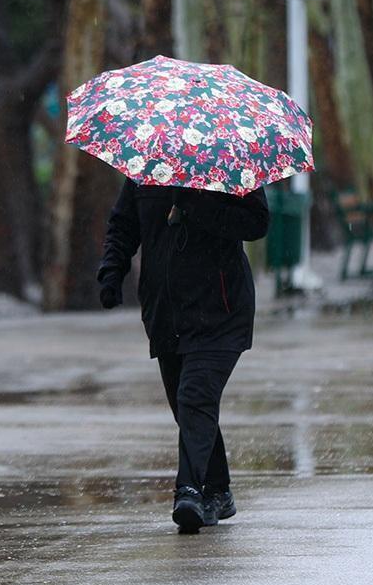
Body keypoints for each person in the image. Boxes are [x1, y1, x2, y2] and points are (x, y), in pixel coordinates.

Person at [97, 179, 270, 533]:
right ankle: (218, 490)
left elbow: (257, 223)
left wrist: (197, 206)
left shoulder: (227, 163)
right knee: (188, 406)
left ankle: (188, 490)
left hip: (221, 312)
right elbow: (123, 225)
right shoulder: (146, 169)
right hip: (166, 314)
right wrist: (111, 273)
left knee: (195, 397)